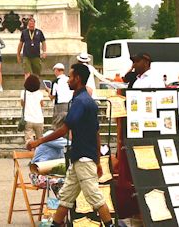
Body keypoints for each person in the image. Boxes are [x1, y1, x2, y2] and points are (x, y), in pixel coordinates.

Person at [27, 63, 113, 227]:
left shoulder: (80, 102)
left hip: (83, 158)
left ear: (78, 79)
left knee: (95, 198)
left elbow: (64, 129)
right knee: (66, 197)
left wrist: (38, 141)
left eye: (71, 77)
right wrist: (97, 160)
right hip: (81, 158)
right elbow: (96, 133)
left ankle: (110, 225)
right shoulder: (88, 101)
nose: (68, 80)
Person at [21, 74, 45, 145]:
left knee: (29, 140)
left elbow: (22, 104)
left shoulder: (23, 93)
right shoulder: (40, 93)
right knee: (40, 140)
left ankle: (31, 150)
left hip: (28, 119)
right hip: (39, 119)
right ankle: (38, 150)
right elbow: (42, 105)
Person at [49, 63, 73, 127]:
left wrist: (48, 91)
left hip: (60, 105)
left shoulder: (56, 81)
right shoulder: (69, 79)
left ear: (57, 70)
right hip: (70, 104)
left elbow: (52, 96)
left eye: (54, 70)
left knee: (58, 124)